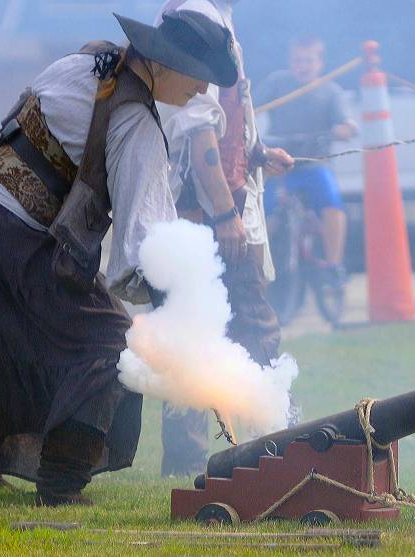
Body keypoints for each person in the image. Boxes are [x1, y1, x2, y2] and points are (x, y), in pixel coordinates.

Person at [0, 11, 238, 506]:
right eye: (199, 77)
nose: (203, 91)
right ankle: (61, 483)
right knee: (112, 344)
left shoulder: (89, 59)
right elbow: (148, 245)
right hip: (9, 230)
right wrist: (178, 310)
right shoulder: (135, 122)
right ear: (169, 63)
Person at [155, 0, 295, 478]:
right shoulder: (199, 18)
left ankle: (212, 458)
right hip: (208, 213)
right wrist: (225, 214)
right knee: (249, 334)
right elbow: (198, 133)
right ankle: (272, 451)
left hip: (211, 208)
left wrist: (255, 152)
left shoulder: (209, 16)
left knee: (196, 338)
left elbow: (221, 121)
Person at [259, 36, 357, 283]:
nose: (302, 66)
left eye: (308, 60)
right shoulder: (276, 84)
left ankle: (333, 265)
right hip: (280, 166)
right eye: (297, 60)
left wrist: (343, 130)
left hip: (315, 164)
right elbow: (252, 105)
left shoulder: (331, 91)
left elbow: (347, 124)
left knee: (332, 204)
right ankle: (260, 265)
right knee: (261, 209)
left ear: (320, 63)